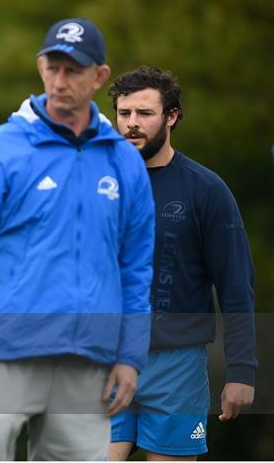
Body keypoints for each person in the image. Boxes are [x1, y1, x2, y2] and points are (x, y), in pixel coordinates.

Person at [0, 18, 155, 461]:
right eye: (53, 68)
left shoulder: (124, 163)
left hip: (88, 362)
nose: (60, 80)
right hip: (2, 353)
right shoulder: (1, 148)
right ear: (40, 68)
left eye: (73, 70)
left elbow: (136, 266)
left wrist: (130, 358)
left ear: (100, 76)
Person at [107, 66, 257, 460]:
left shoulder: (206, 189)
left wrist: (242, 371)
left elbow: (236, 284)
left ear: (171, 116)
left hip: (177, 366)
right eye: (124, 114)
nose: (132, 124)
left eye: (145, 113)